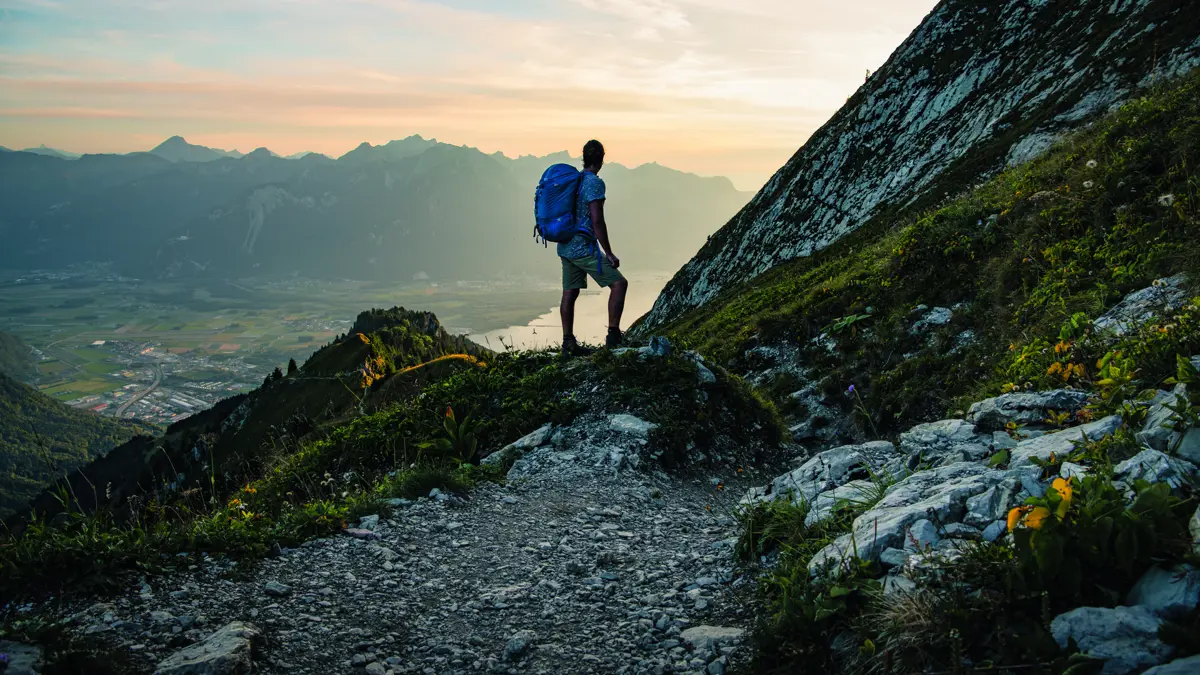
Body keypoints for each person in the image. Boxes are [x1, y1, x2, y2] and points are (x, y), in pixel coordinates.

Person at [559, 139, 628, 356]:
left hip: (566, 245)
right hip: (582, 248)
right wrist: (608, 252)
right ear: (601, 160)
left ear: (583, 158)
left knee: (570, 292)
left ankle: (568, 342)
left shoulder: (574, 180)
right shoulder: (594, 183)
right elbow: (597, 220)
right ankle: (613, 337)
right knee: (619, 284)